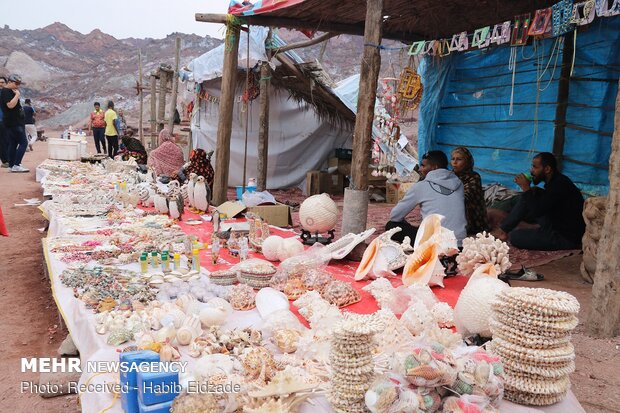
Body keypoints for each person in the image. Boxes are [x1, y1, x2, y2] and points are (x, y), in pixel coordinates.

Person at [494, 152, 585, 250]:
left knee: (515, 236)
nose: (531, 171)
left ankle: (507, 231)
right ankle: (503, 230)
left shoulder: (559, 185)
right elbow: (546, 204)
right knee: (532, 193)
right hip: (555, 224)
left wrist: (526, 188)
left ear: (547, 169)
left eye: (535, 167)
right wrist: (531, 191)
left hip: (565, 237)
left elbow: (536, 212)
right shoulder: (555, 181)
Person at [386, 150, 467, 246]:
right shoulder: (459, 184)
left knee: (391, 226)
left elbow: (395, 216)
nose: (420, 169)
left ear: (434, 168)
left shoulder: (421, 186)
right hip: (460, 242)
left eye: (423, 166)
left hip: (435, 243)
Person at [451, 147, 489, 236]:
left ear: (467, 162)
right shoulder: (450, 175)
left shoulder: (474, 177)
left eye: (459, 159)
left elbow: (464, 197)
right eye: (453, 159)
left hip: (473, 218)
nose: (454, 162)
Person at [0, 74, 29, 172]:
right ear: (10, 82)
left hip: (12, 121)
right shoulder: (6, 92)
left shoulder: (8, 91)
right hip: (14, 121)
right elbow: (10, 105)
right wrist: (17, 95)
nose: (18, 85)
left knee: (13, 143)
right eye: (16, 83)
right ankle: (17, 164)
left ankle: (11, 165)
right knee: (23, 143)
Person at [0, 76, 8, 167]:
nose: (0, 84)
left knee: (5, 141)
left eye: (2, 82)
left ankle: (5, 160)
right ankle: (5, 160)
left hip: (5, 120)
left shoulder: (7, 93)